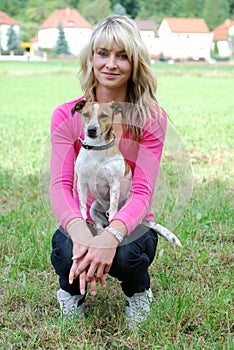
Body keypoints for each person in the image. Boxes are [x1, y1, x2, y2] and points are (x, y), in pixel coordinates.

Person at [50, 15, 167, 328]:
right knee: (64, 250)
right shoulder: (67, 114)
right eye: (103, 53)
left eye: (123, 55)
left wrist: (112, 235)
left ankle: (138, 291)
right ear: (91, 59)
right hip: (88, 218)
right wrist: (81, 234)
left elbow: (141, 192)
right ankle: (71, 292)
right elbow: (61, 185)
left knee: (127, 255)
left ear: (135, 63)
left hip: (131, 220)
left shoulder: (151, 119)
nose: (111, 64)